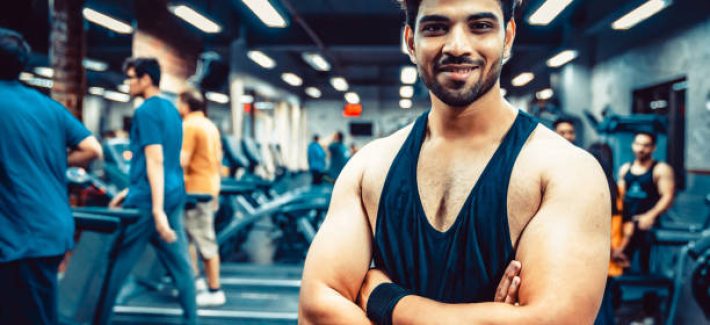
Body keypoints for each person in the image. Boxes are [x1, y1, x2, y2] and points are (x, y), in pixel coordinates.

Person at [299, 0, 610, 324]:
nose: (457, 46)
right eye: (435, 27)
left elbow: (553, 321)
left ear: (508, 36)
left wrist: (386, 301)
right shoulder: (368, 168)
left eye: (480, 26)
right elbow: (316, 310)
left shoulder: (565, 172)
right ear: (410, 40)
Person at [0, 28, 103, 324]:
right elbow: (92, 148)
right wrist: (54, 163)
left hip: (19, 237)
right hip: (49, 230)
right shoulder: (46, 105)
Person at [99, 58, 197, 325]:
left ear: (146, 80)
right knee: (180, 265)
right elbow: (160, 161)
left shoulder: (145, 111)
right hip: (172, 192)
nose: (127, 83)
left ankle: (100, 320)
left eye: (131, 78)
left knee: (114, 264)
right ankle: (192, 320)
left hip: (149, 202)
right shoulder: (171, 109)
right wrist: (130, 189)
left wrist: (156, 211)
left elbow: (155, 159)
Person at [177, 88, 226, 306]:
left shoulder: (190, 125)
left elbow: (182, 161)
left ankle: (215, 290)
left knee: (204, 240)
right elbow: (217, 160)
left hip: (195, 191)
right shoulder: (209, 125)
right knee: (189, 239)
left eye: (179, 103)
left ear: (186, 105)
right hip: (209, 187)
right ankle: (196, 281)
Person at [617, 132, 675, 274]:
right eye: (637, 144)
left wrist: (651, 215)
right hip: (627, 222)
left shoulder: (661, 169)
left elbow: (668, 196)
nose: (640, 149)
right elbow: (620, 197)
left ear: (653, 148)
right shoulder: (625, 169)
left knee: (644, 264)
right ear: (632, 145)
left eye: (646, 145)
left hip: (647, 224)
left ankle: (648, 288)